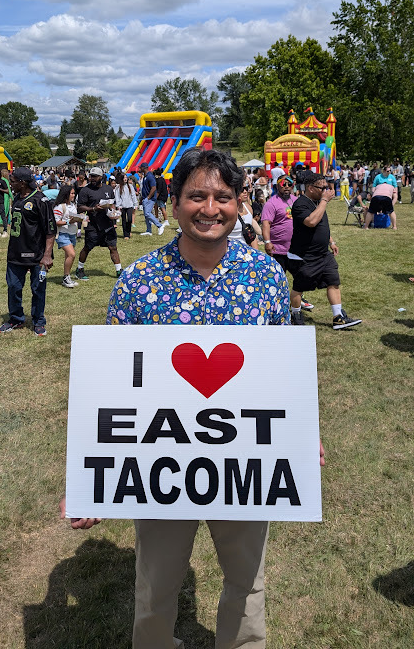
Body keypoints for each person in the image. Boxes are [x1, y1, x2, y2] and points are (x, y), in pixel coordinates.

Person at [61, 149, 328, 649]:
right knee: (157, 586)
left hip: (244, 461)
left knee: (248, 583)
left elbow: (280, 370)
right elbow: (114, 381)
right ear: (175, 203)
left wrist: (301, 437)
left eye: (223, 197)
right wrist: (87, 474)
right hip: (161, 461)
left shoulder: (267, 278)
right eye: (197, 196)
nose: (211, 208)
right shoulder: (139, 281)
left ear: (239, 202)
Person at [287, 172, 362, 329]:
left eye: (326, 187)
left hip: (322, 254)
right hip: (304, 256)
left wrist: (331, 241)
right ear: (310, 188)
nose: (326, 190)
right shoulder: (301, 204)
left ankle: (338, 317)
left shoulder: (319, 202)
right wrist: (324, 201)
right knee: (299, 288)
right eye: (323, 187)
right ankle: (295, 314)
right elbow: (312, 222)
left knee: (333, 281)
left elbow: (323, 226)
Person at [0, 167, 56, 336]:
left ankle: (39, 321)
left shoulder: (41, 201)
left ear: (22, 183)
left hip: (38, 255)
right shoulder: (17, 198)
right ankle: (16, 318)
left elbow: (50, 230)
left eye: (13, 182)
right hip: (16, 254)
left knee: (38, 289)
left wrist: (46, 255)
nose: (11, 184)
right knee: (14, 287)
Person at [261, 175, 314, 311]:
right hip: (278, 249)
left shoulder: (297, 201)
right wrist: (267, 241)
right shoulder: (271, 203)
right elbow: (266, 224)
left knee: (301, 276)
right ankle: (277, 306)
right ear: (277, 185)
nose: (286, 186)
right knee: (278, 280)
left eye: (289, 184)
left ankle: (297, 299)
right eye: (283, 184)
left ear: (293, 185)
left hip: (295, 248)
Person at [75, 167, 123, 281]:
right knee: (87, 247)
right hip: (93, 225)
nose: (92, 178)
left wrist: (114, 213)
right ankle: (79, 269)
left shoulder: (108, 189)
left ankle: (119, 270)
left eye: (95, 176)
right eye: (91, 176)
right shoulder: (85, 191)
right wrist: (93, 208)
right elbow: (80, 207)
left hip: (107, 223)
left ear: (101, 177)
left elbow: (112, 204)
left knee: (113, 247)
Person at [53, 184, 81, 287]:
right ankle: (66, 278)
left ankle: (67, 276)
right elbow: (56, 221)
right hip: (62, 234)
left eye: (74, 193)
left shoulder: (73, 205)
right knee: (72, 254)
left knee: (68, 256)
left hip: (72, 233)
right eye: (72, 193)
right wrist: (68, 221)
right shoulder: (60, 207)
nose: (74, 195)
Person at [228, 175, 259, 249]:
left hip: (247, 252)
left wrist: (256, 253)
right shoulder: (228, 210)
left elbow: (251, 234)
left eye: (246, 188)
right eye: (242, 189)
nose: (245, 192)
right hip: (231, 252)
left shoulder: (248, 207)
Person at [139, 162, 165, 237]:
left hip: (150, 198)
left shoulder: (150, 176)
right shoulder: (145, 176)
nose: (140, 169)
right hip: (145, 197)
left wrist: (148, 198)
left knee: (147, 213)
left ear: (144, 168)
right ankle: (148, 230)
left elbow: (153, 188)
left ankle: (160, 225)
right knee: (146, 215)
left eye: (141, 167)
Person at [114, 171, 138, 239]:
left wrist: (135, 204)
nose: (125, 179)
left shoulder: (130, 186)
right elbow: (117, 197)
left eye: (126, 177)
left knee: (130, 219)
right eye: (124, 177)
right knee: (124, 220)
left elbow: (133, 195)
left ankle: (129, 231)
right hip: (122, 206)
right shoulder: (118, 187)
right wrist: (118, 206)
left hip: (130, 205)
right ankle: (126, 234)